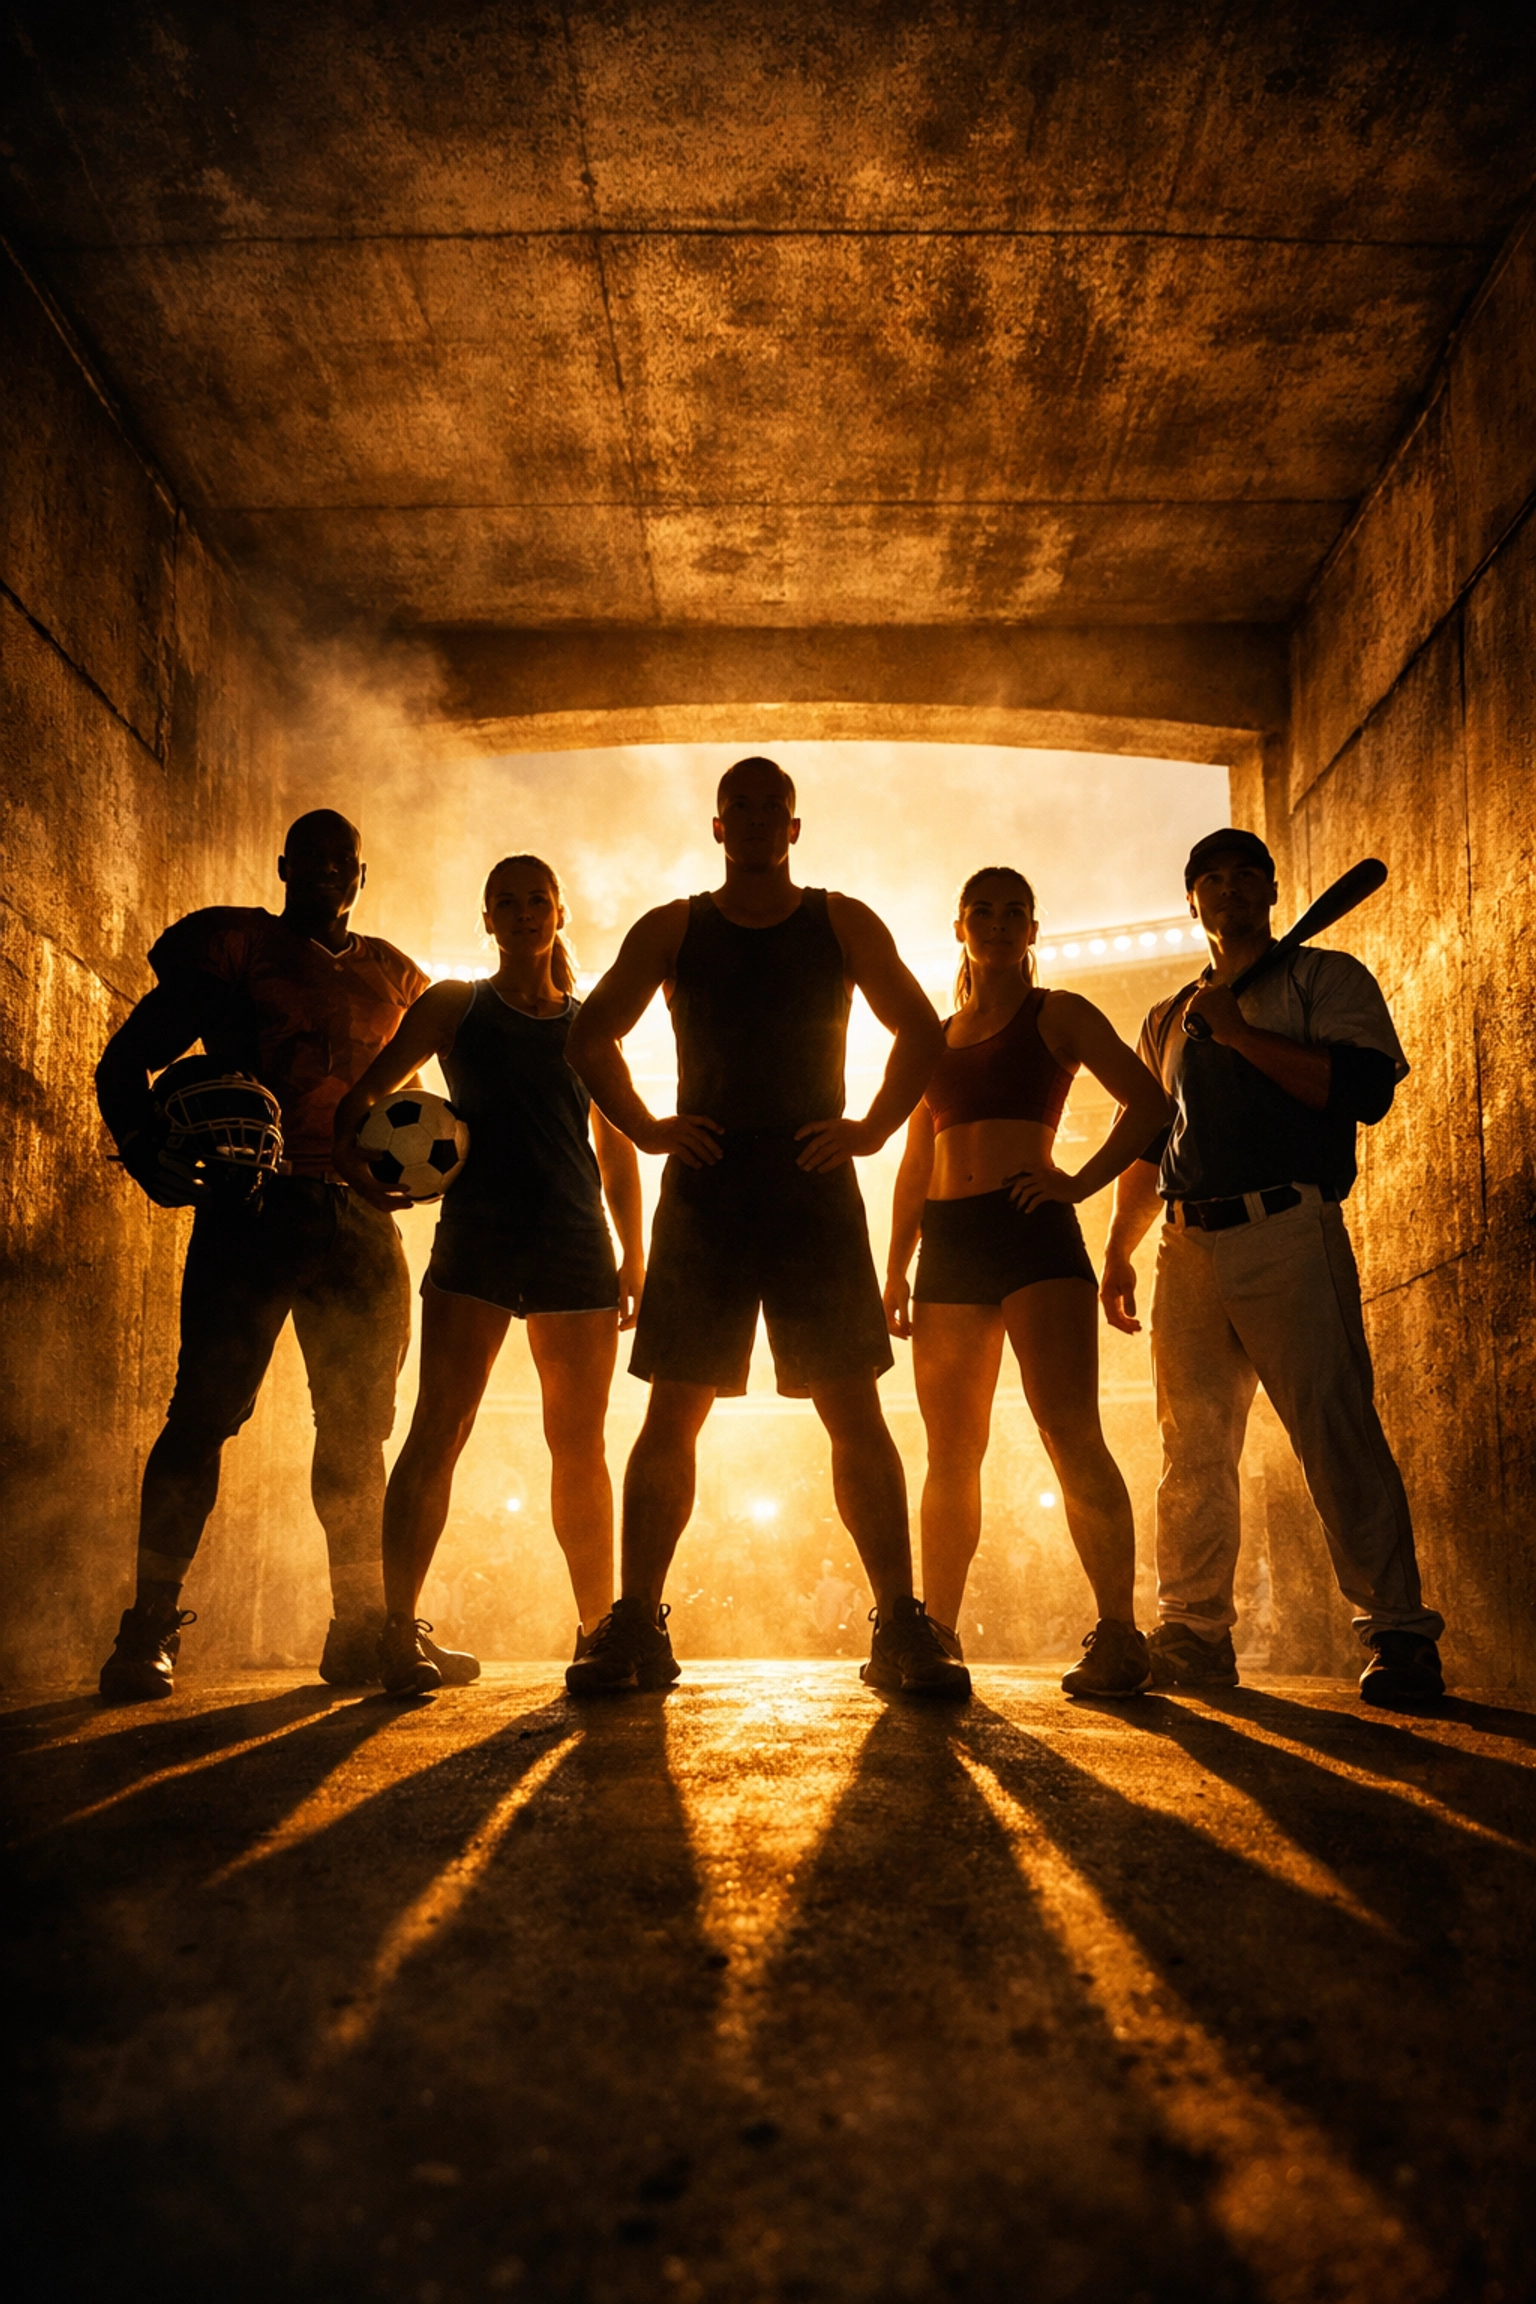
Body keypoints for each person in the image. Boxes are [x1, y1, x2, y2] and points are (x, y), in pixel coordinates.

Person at [562, 755, 968, 1698]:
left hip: (810, 1184)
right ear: (716, 827)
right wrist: (648, 1126)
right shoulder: (676, 926)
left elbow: (921, 1028)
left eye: (769, 807)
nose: (751, 818)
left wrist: (868, 1127)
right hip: (706, 1186)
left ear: (793, 828)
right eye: (734, 806)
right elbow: (588, 1037)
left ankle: (899, 1624)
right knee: (673, 1410)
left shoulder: (840, 919)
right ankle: (635, 1625)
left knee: (852, 1408)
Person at [1100, 827, 1447, 1708]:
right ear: (1193, 901)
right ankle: (1194, 1632)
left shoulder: (1322, 979)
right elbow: (1153, 1140)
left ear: (1271, 891)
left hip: (1288, 1226)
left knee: (1333, 1427)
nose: (1228, 890)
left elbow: (1360, 1093)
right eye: (1210, 879)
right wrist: (1118, 1248)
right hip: (1187, 1243)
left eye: (1245, 875)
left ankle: (1399, 1633)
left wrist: (1241, 1032)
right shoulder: (1167, 1014)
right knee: (1193, 1449)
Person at [94, 810, 428, 1701]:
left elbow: (424, 1110)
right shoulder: (237, 949)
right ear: (283, 866)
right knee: (201, 1416)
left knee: (358, 1435)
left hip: (358, 1216)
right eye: (309, 857)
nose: (325, 870)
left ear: (362, 876)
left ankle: (360, 1625)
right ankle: (148, 1625)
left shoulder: (399, 977)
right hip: (254, 1205)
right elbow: (125, 1058)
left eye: (341, 861)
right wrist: (143, 1148)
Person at [334, 855, 644, 1697]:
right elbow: (362, 1098)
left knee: (579, 1447)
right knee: (439, 1427)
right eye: (504, 901)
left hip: (575, 1245)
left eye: (535, 899)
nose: (520, 913)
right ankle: (397, 1635)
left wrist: (635, 1255)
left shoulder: (591, 1025)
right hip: (478, 1239)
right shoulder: (456, 1004)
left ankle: (597, 1635)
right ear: (486, 918)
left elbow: (617, 1153)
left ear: (559, 913)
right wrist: (367, 1173)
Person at [884, 866, 1171, 1697]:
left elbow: (1150, 1104)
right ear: (960, 925)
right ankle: (937, 1634)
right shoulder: (931, 1038)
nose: (1001, 924)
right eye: (985, 911)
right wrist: (895, 1264)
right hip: (951, 1246)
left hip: (1034, 1231)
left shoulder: (1060, 1013)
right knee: (951, 1451)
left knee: (1070, 1430)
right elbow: (912, 1158)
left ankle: (1120, 1634)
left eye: (1017, 912)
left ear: (1034, 930)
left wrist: (1077, 1184)